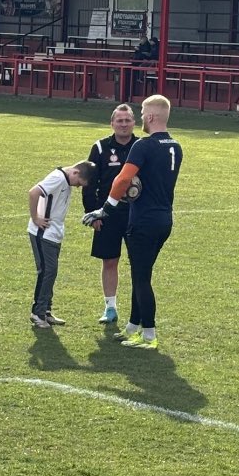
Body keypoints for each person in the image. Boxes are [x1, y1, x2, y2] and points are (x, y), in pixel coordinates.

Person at [82, 94, 182, 350]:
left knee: (141, 279)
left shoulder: (143, 145)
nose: (141, 119)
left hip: (143, 221)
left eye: (142, 114)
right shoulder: (175, 146)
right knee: (142, 274)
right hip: (164, 219)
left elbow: (123, 180)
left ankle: (149, 335)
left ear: (151, 116)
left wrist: (105, 208)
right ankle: (132, 327)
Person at [82, 103, 138, 324]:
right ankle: (110, 308)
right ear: (112, 123)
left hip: (136, 215)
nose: (124, 124)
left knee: (139, 263)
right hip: (107, 215)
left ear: (134, 123)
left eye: (127, 120)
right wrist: (93, 214)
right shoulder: (100, 147)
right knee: (109, 261)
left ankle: (138, 308)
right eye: (119, 120)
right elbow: (89, 183)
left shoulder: (142, 147)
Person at [28, 160, 97, 329]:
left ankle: (46, 311)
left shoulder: (65, 179)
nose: (78, 187)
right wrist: (36, 218)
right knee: (47, 271)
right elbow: (33, 192)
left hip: (54, 234)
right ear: (75, 172)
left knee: (51, 272)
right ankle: (37, 313)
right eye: (79, 183)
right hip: (43, 233)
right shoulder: (57, 178)